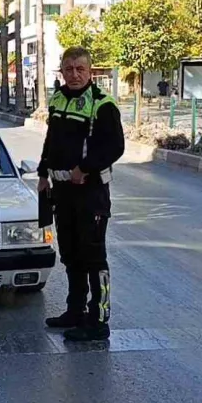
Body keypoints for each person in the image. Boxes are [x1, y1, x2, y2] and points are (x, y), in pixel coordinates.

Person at [38, 46, 124, 342]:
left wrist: (84, 168)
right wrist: (42, 174)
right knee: (71, 256)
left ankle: (98, 320)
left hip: (91, 194)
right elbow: (51, 140)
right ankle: (74, 312)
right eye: (69, 69)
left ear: (90, 71)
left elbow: (115, 147)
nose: (74, 74)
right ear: (61, 70)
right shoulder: (59, 98)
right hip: (62, 192)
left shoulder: (102, 104)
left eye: (80, 69)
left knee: (93, 258)